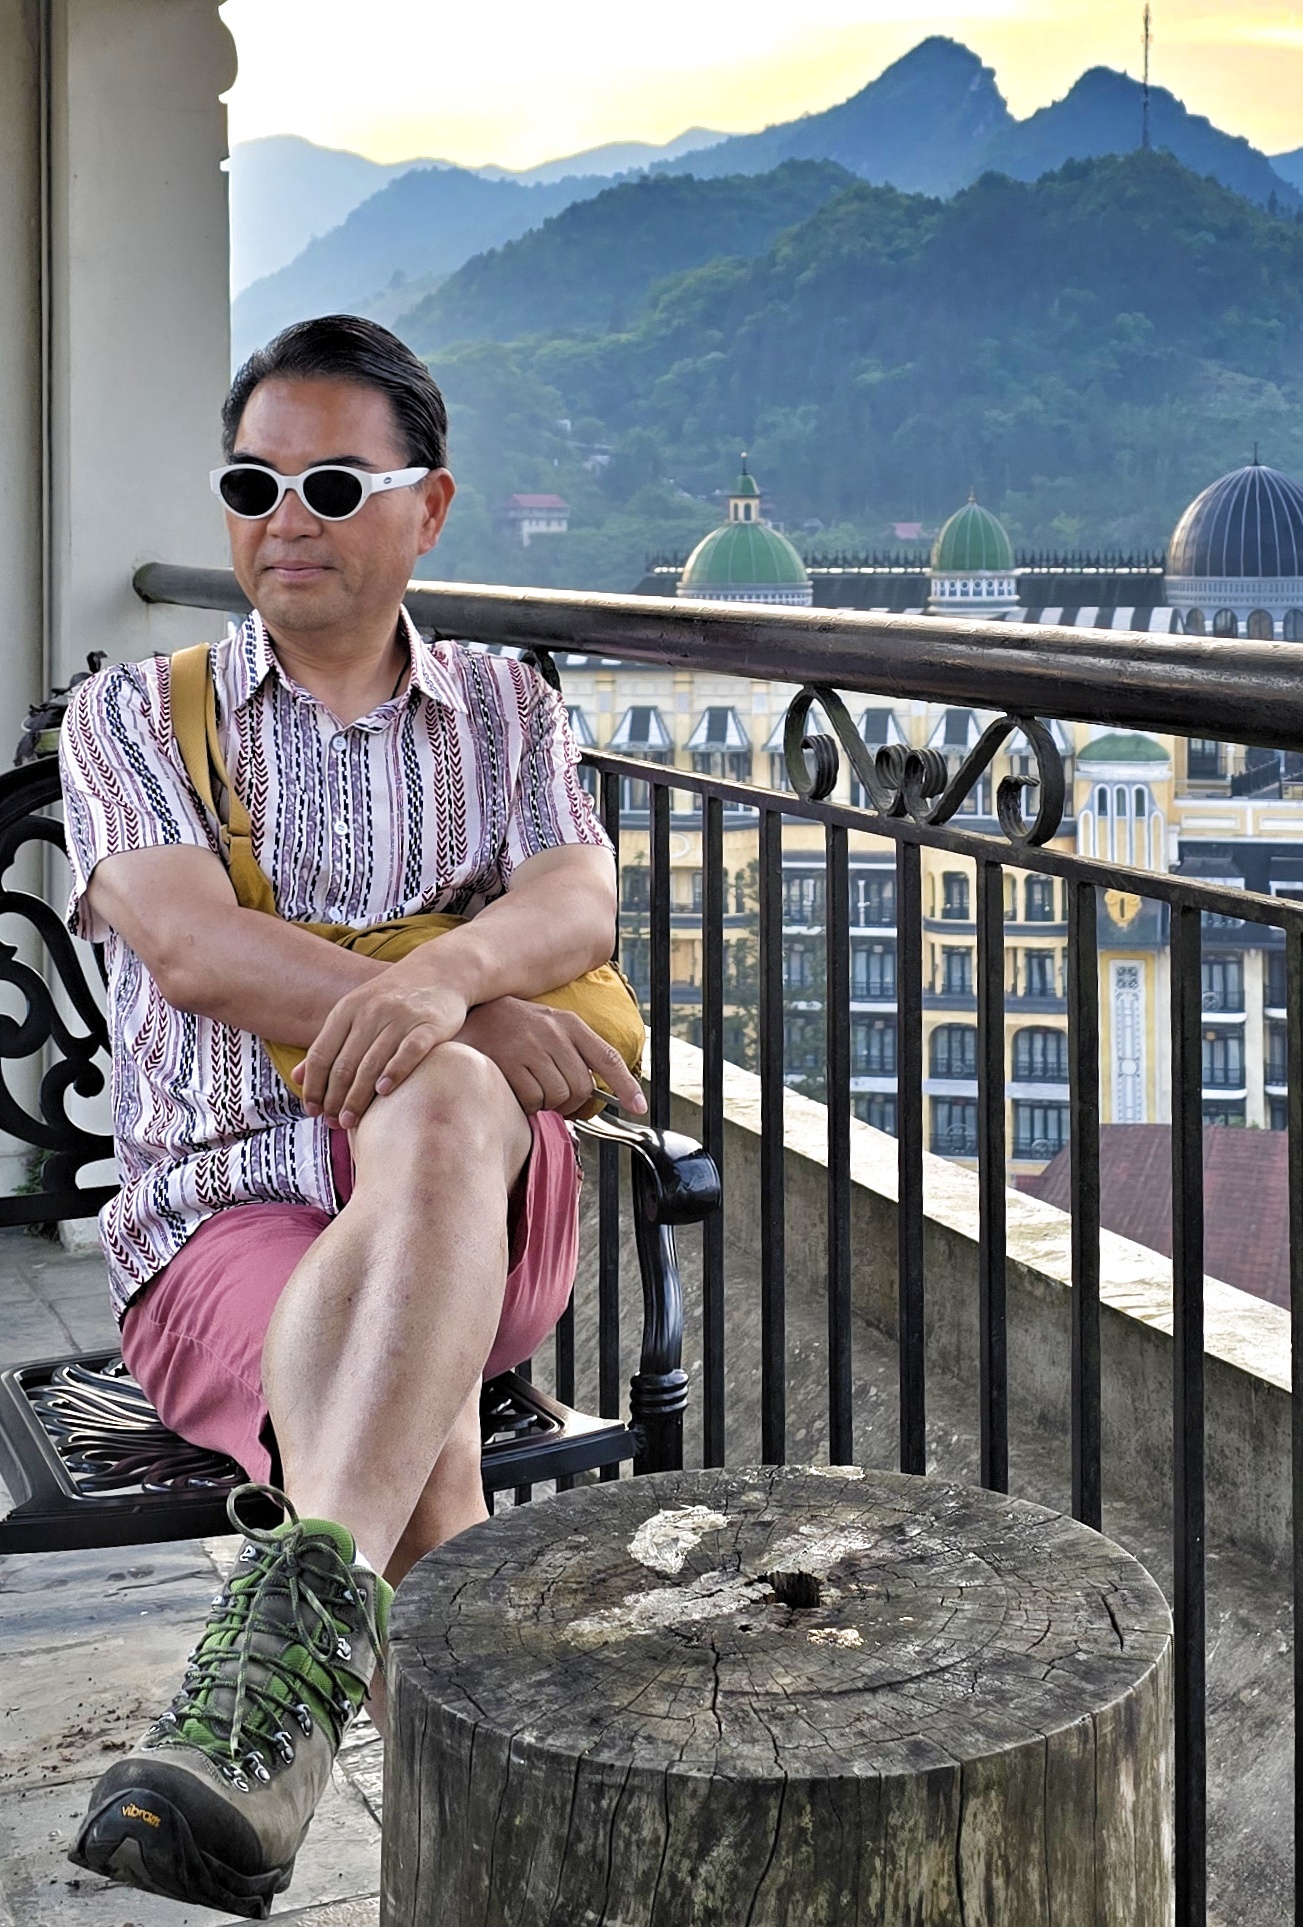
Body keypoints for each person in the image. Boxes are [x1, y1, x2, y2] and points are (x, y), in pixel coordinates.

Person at [61, 314, 644, 1918]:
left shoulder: (506, 709)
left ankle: (278, 1694)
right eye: (252, 485)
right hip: (225, 1220)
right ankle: (499, 1878)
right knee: (422, 1454)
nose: (283, 519)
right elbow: (193, 946)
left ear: (427, 508)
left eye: (331, 484)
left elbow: (578, 898)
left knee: (441, 1097)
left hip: (485, 1201)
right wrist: (471, 1007)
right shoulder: (137, 713)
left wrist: (444, 985)